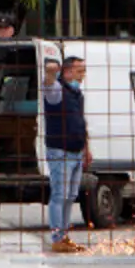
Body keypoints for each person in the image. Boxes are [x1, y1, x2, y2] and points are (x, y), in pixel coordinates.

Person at [41, 56, 91, 253]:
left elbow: (80, 122)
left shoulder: (77, 95)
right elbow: (48, 83)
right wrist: (51, 71)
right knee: (59, 195)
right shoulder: (57, 91)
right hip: (60, 151)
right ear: (68, 72)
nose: (82, 75)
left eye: (84, 71)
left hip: (76, 151)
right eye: (79, 71)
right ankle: (57, 238)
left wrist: (86, 148)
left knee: (70, 196)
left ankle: (64, 235)